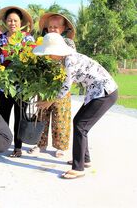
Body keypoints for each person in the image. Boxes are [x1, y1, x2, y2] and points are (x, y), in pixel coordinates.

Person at [33, 33, 118, 179]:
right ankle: (84, 159)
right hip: (98, 93)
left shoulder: (69, 60)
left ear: (55, 51)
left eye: (48, 53)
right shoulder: (67, 58)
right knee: (79, 123)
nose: (48, 56)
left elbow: (66, 87)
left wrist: (49, 102)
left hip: (105, 93)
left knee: (80, 125)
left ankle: (78, 168)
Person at [28, 12, 76, 158]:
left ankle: (60, 147)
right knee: (42, 113)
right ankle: (39, 144)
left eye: (56, 27)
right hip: (45, 84)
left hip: (62, 85)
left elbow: (70, 68)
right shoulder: (44, 42)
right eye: (50, 27)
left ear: (63, 28)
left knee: (61, 116)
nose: (53, 29)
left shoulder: (68, 44)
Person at [0, 6, 35, 158]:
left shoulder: (28, 39)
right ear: (5, 22)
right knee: (3, 116)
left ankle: (17, 147)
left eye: (15, 20)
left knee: (20, 117)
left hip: (23, 86)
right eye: (9, 20)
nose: (12, 23)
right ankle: (1, 143)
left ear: (21, 22)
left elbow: (33, 61)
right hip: (5, 86)